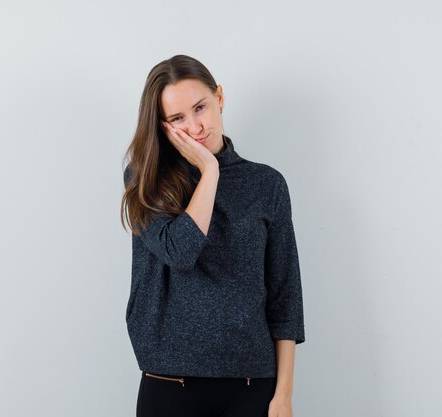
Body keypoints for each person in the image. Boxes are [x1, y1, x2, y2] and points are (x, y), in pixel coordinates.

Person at [120, 54, 306, 417]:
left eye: (200, 107)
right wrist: (210, 171)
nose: (195, 127)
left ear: (219, 98)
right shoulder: (146, 180)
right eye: (178, 118)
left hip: (251, 386)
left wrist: (283, 396)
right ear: (163, 126)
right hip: (169, 382)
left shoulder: (266, 184)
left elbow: (285, 298)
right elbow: (182, 250)